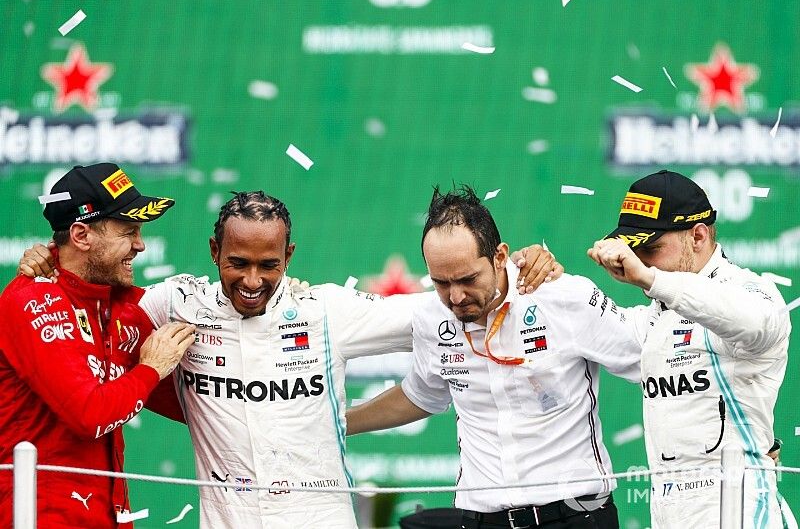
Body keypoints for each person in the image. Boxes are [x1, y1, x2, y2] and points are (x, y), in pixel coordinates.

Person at [19, 190, 557, 528]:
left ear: (290, 257)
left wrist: (523, 271)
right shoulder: (174, 303)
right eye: (237, 263)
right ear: (212, 253)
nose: (252, 281)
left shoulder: (325, 310)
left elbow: (456, 298)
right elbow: (89, 301)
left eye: (268, 265)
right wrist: (46, 265)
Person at [347, 185, 644, 529]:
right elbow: (421, 394)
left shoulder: (563, 296)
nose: (456, 296)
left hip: (573, 516)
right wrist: (339, 425)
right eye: (441, 282)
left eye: (468, 279)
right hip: (480, 519)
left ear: (500, 256)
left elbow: (650, 361)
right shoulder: (431, 316)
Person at [588, 170, 790, 528]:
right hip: (669, 512)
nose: (640, 261)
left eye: (650, 249)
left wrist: (652, 279)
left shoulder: (751, 291)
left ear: (698, 236)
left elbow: (754, 323)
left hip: (741, 512)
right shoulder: (651, 320)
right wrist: (536, 270)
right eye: (634, 251)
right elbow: (575, 315)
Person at [0, 163, 196, 528]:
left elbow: (189, 406)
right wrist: (152, 367)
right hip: (38, 517)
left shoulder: (125, 304)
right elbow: (90, 416)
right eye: (129, 231)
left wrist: (284, 300)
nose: (140, 245)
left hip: (110, 516)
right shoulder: (31, 302)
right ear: (81, 234)